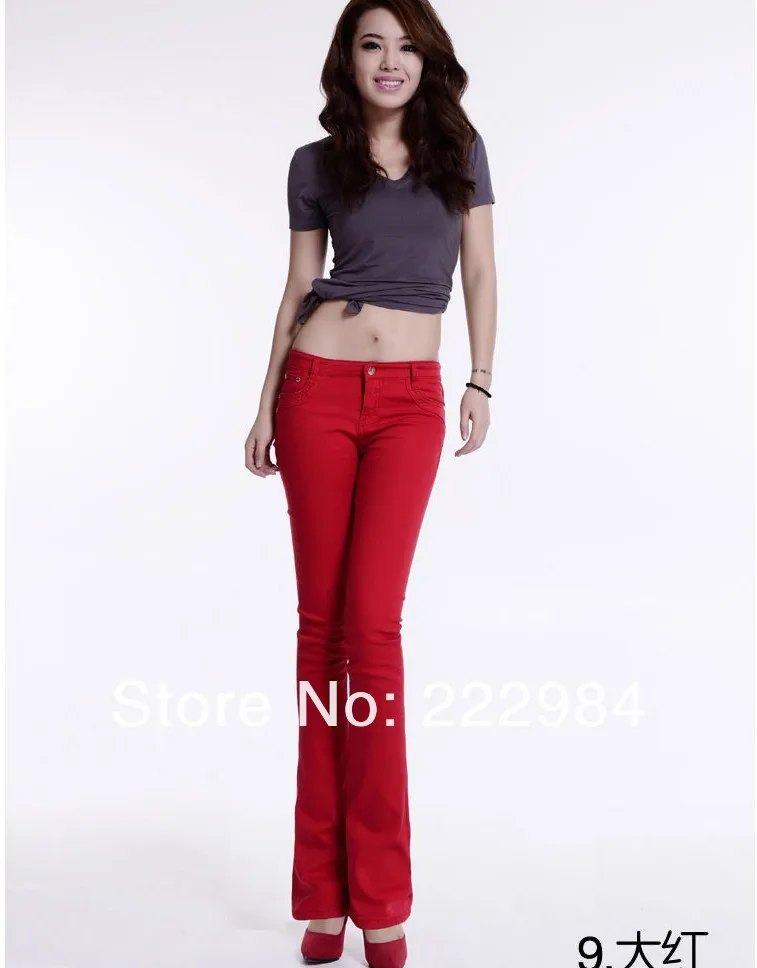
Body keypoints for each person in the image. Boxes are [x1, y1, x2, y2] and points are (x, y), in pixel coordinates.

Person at [244, 0, 496, 964]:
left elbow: (481, 273)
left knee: (373, 632)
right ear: (347, 60)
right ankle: (321, 895)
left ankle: (381, 898)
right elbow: (295, 285)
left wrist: (479, 378)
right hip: (315, 390)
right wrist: (264, 403)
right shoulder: (316, 164)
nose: (389, 61)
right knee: (320, 634)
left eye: (405, 47)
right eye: (371, 44)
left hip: (408, 403)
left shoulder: (459, 152)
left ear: (428, 62)